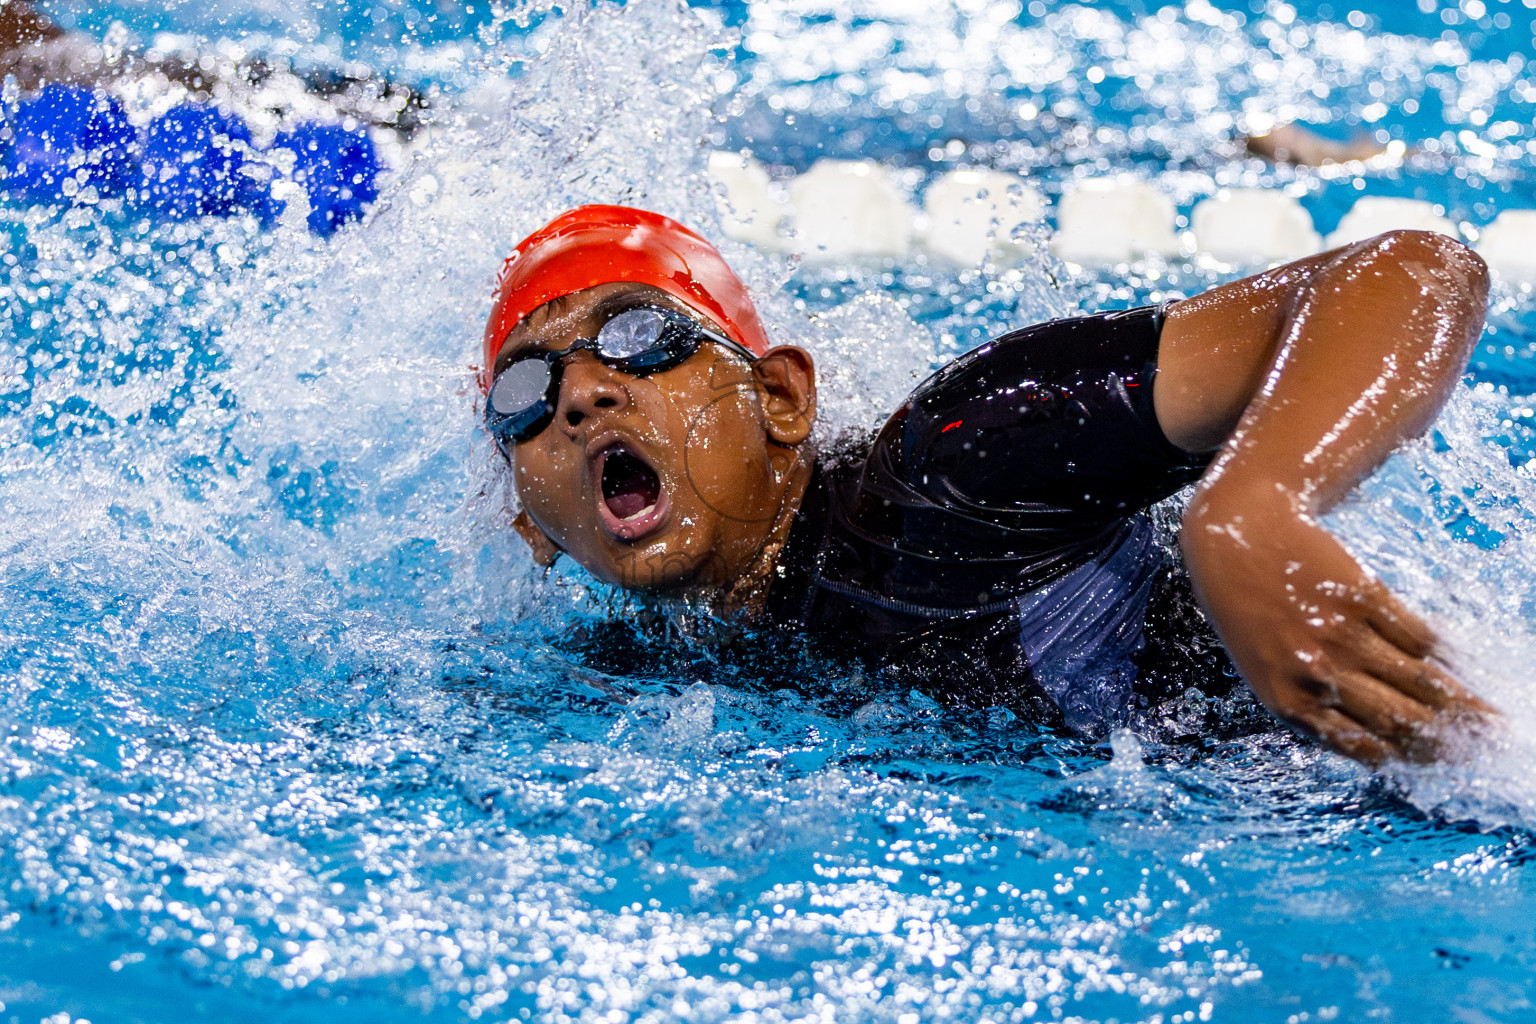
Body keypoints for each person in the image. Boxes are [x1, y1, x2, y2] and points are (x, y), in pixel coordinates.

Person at [481, 204, 1495, 765]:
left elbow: (1413, 272)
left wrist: (1257, 506)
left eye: (640, 335)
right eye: (526, 392)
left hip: (1403, 766)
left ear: (782, 396)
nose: (583, 396)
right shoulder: (632, 676)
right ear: (531, 525)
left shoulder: (961, 460)